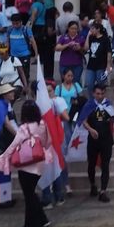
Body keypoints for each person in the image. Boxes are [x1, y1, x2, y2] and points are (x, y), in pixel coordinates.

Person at [0, 100, 52, 227]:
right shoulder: (42, 124)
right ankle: (42, 219)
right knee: (31, 193)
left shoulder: (23, 128)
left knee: (29, 195)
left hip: (26, 166)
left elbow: (13, 145)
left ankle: (31, 224)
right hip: (39, 163)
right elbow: (47, 142)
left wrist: (2, 160)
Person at [78, 84, 114, 202]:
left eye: (102, 93)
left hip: (106, 139)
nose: (100, 96)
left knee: (105, 165)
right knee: (91, 164)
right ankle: (93, 184)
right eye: (98, 93)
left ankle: (103, 191)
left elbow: (112, 119)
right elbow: (83, 120)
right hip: (93, 140)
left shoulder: (108, 104)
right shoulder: (89, 105)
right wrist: (91, 130)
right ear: (94, 93)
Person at [41, 80, 71, 208]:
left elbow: (66, 117)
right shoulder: (41, 103)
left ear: (54, 90)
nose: (48, 93)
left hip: (57, 137)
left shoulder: (57, 101)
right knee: (48, 168)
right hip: (44, 139)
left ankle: (61, 191)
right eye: (46, 91)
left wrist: (54, 114)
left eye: (50, 91)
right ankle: (51, 196)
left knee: (58, 165)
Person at [83, 22, 112, 93]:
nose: (91, 30)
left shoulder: (105, 39)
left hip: (101, 65)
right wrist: (87, 36)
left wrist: (108, 65)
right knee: (89, 84)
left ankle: (100, 98)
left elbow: (109, 52)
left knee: (101, 83)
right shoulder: (91, 38)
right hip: (91, 65)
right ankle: (91, 100)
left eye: (92, 29)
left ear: (98, 29)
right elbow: (86, 48)